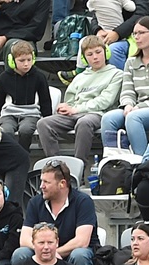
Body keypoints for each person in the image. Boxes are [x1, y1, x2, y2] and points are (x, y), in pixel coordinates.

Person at [35, 36, 122, 171]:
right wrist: (65, 107)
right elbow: (70, 99)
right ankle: (57, 169)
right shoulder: (80, 77)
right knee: (44, 123)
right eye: (90, 54)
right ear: (84, 58)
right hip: (74, 113)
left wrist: (77, 109)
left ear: (106, 52)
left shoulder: (116, 74)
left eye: (98, 52)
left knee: (84, 122)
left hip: (98, 113)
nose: (95, 57)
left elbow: (105, 101)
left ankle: (78, 169)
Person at [101, 18, 149, 155]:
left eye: (141, 33)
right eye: (134, 34)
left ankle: (142, 161)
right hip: (135, 108)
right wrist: (127, 105)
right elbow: (127, 91)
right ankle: (115, 163)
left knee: (134, 118)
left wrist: (137, 108)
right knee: (108, 118)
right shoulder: (131, 62)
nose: (136, 37)